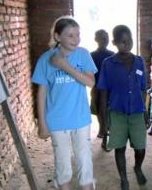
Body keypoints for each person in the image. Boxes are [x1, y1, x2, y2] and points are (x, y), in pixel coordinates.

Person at [32, 16, 96, 190]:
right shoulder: (46, 59)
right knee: (63, 164)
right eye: (70, 35)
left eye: (78, 34)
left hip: (81, 118)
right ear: (58, 36)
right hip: (57, 121)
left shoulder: (83, 54)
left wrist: (65, 66)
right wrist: (42, 123)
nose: (76, 39)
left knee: (85, 162)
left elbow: (90, 82)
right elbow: (41, 93)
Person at [97, 25, 147, 190]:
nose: (127, 44)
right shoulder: (108, 64)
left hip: (137, 112)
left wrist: (145, 111)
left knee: (140, 147)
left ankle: (137, 167)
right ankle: (124, 178)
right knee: (120, 147)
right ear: (114, 43)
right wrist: (103, 122)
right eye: (122, 42)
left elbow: (143, 89)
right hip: (117, 113)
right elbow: (103, 93)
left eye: (130, 40)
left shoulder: (139, 62)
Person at [90, 29, 114, 140]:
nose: (105, 40)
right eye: (102, 38)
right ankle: (102, 127)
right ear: (96, 40)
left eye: (106, 38)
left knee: (109, 109)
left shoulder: (112, 55)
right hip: (97, 86)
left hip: (110, 87)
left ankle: (107, 128)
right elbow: (89, 73)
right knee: (99, 107)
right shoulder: (92, 55)